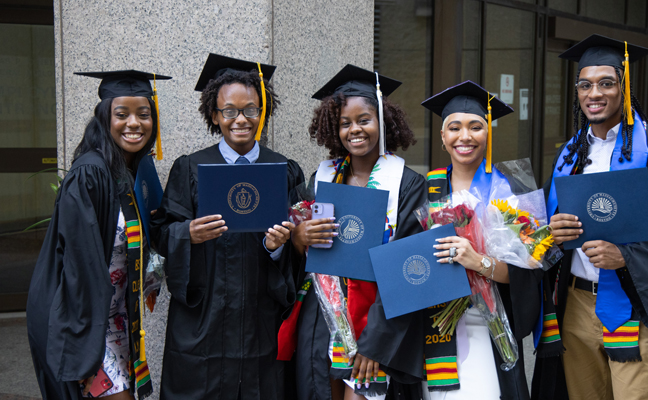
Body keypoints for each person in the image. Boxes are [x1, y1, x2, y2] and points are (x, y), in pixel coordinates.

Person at [532, 34, 648, 400]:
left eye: (607, 83)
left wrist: (628, 257)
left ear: (624, 87)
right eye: (585, 85)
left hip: (632, 307)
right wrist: (548, 231)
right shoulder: (569, 156)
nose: (595, 93)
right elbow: (541, 231)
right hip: (575, 306)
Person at [150, 54, 304, 400]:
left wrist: (279, 245)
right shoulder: (190, 168)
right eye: (229, 111)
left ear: (262, 112)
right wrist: (186, 233)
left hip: (260, 318)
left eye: (250, 109)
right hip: (204, 318)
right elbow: (160, 233)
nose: (240, 119)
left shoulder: (284, 170)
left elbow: (302, 248)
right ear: (214, 115)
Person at [277, 64, 426, 400]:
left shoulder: (407, 185)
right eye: (345, 123)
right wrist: (298, 240)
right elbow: (298, 251)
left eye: (364, 120)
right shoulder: (320, 179)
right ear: (334, 128)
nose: (354, 130)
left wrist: (375, 345)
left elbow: (409, 271)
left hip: (377, 322)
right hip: (321, 320)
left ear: (383, 122)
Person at [27, 70, 171, 400]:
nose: (134, 123)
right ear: (105, 118)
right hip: (80, 317)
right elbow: (79, 266)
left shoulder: (135, 171)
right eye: (122, 114)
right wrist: (85, 352)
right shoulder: (90, 173)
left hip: (115, 317)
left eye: (143, 114)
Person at [407, 80, 542, 399]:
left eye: (475, 127)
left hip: (490, 322)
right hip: (436, 327)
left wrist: (478, 262)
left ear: (488, 133)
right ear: (443, 137)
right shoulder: (425, 190)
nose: (464, 136)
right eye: (454, 127)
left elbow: (532, 268)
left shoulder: (510, 191)